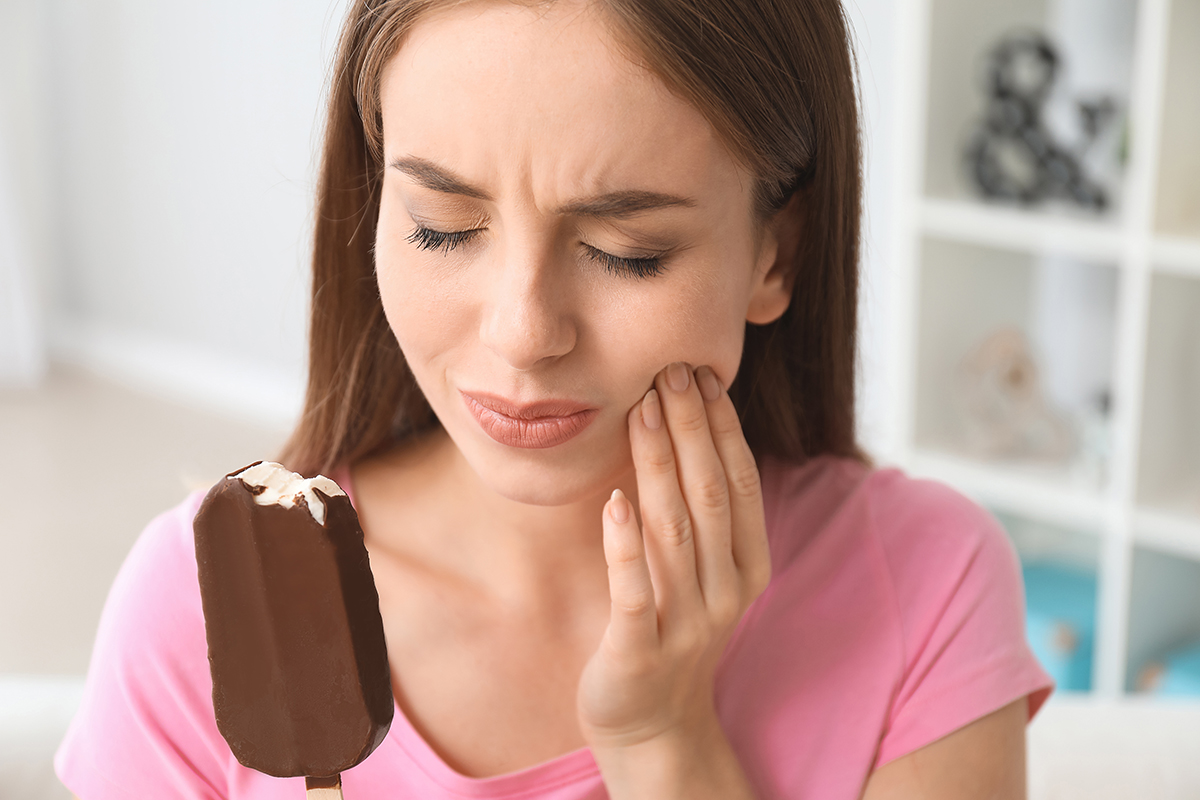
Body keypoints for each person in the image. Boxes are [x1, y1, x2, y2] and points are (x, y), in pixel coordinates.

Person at [55, 0, 1054, 797]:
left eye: (629, 251)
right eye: (443, 226)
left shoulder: (927, 585)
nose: (523, 329)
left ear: (774, 252)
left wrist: (666, 741)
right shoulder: (200, 605)